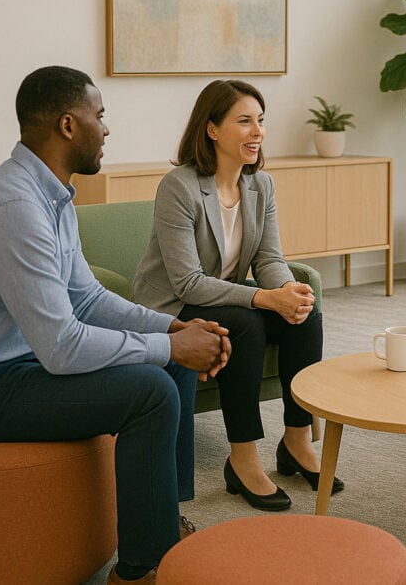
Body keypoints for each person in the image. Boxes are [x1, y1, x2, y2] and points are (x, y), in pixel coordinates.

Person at [0, 66, 229, 585]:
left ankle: (160, 526)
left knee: (167, 363)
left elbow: (86, 297)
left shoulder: (52, 195)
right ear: (69, 125)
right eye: (100, 115)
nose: (107, 129)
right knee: (152, 387)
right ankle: (141, 573)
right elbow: (63, 347)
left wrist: (173, 330)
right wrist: (166, 349)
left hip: (16, 366)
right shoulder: (15, 206)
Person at [133, 79, 340, 513]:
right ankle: (242, 458)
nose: (257, 131)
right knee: (245, 322)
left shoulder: (259, 185)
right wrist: (264, 300)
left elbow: (268, 259)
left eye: (260, 121)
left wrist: (286, 290)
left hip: (223, 294)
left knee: (306, 313)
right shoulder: (180, 186)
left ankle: (297, 440)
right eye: (244, 121)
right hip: (172, 304)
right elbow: (188, 281)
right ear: (211, 129)